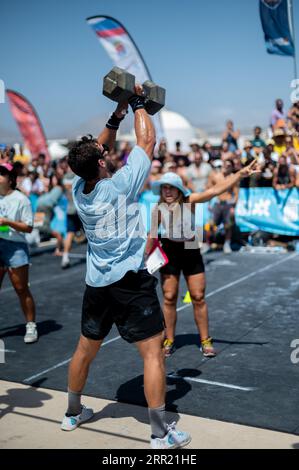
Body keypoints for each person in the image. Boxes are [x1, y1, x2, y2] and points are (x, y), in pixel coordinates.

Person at [61, 86, 191, 449]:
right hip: (130, 282)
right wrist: (137, 105)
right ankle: (159, 433)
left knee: (84, 349)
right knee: (152, 353)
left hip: (97, 282)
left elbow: (91, 153)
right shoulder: (120, 186)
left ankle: (72, 413)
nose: (105, 150)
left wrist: (115, 116)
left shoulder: (78, 188)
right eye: (103, 152)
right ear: (101, 162)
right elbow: (147, 141)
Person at [146, 160, 259, 358]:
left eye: (171, 187)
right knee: (170, 297)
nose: (167, 191)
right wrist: (143, 261)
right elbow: (152, 235)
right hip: (169, 249)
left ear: (179, 190)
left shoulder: (190, 201)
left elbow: (216, 190)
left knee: (198, 296)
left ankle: (205, 340)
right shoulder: (158, 209)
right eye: (164, 188)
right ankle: (169, 339)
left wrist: (240, 174)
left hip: (190, 247)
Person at [0, 163, 37, 343]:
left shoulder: (21, 199)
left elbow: (29, 227)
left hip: (14, 246)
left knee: (21, 288)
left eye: (1, 175)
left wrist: (7, 222)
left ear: (10, 179)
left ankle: (30, 325)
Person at [207, 160, 239, 253]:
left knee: (228, 226)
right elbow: (209, 189)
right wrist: (209, 203)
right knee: (211, 224)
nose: (226, 167)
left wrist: (233, 206)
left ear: (231, 167)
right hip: (217, 202)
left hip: (228, 203)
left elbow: (236, 193)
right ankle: (208, 243)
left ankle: (227, 244)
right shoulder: (216, 176)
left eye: (229, 165)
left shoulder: (233, 178)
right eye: (225, 165)